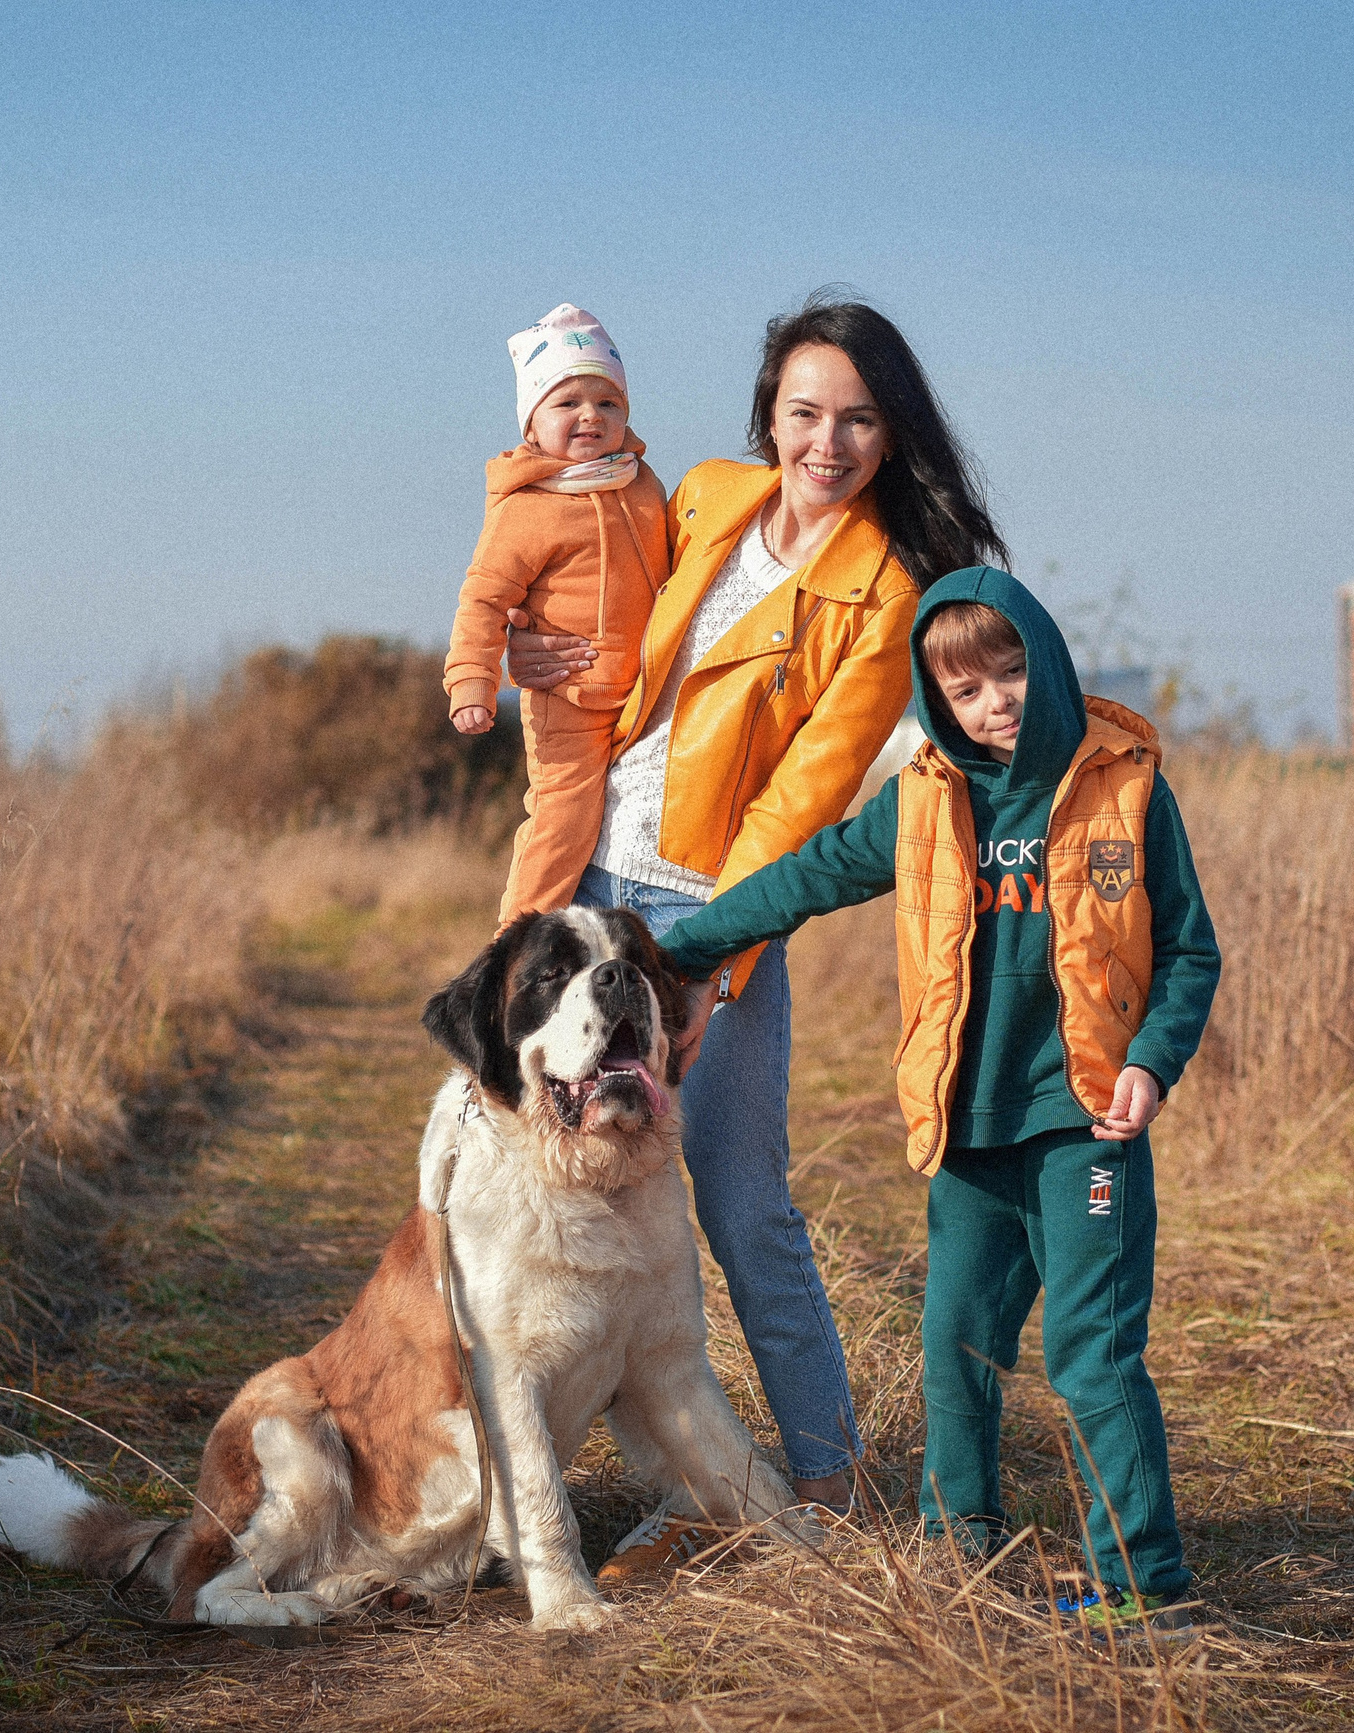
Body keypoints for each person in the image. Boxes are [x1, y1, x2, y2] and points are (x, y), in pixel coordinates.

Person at [506, 295, 1009, 1579]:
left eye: (855, 418)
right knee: (553, 1188)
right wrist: (533, 643)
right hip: (586, 877)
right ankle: (635, 1469)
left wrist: (707, 952)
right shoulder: (710, 495)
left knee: (733, 1198)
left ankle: (826, 1474)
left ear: (890, 433)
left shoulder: (889, 586)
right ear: (767, 416)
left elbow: (805, 796)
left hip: (705, 905)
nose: (825, 442)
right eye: (803, 412)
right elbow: (594, 580)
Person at [652, 568, 1222, 1634]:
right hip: (965, 1130)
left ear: (1044, 661)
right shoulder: (920, 797)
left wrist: (1151, 1060)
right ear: (936, 700)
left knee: (1089, 1353)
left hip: (1086, 1124)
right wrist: (680, 948)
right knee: (953, 1339)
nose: (995, 701)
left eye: (1010, 672)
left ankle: (1146, 1586)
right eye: (965, 689)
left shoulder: (1127, 783)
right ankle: (958, 1547)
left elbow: (1188, 946)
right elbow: (806, 875)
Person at [445, 304, 669, 921]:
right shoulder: (527, 509)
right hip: (568, 694)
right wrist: (473, 682)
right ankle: (517, 941)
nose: (591, 417)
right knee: (562, 819)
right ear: (532, 424)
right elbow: (483, 600)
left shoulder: (642, 484)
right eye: (567, 403)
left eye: (608, 403)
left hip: (646, 691)